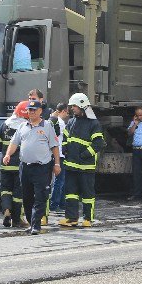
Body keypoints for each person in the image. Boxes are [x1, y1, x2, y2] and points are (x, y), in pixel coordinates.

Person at [3, 100, 61, 234]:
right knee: (27, 197)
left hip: (42, 167)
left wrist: (57, 164)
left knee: (41, 196)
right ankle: (31, 222)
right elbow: (14, 143)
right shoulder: (22, 126)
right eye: (29, 110)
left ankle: (36, 225)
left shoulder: (47, 126)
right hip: (25, 167)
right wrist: (7, 155)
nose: (31, 112)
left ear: (40, 111)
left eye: (34, 110)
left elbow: (54, 146)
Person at [59, 93, 105, 228]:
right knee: (70, 194)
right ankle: (71, 218)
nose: (72, 108)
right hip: (71, 165)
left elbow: (98, 144)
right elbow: (65, 138)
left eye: (75, 106)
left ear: (82, 106)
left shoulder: (94, 123)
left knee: (87, 194)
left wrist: (84, 155)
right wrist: (65, 148)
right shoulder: (72, 121)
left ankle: (87, 219)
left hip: (86, 166)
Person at [0, 100, 30, 228]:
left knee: (5, 189)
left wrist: (6, 154)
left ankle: (6, 210)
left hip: (5, 163)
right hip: (20, 165)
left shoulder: (5, 125)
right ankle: (17, 219)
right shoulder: (25, 127)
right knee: (18, 193)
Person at [48, 102, 69, 212]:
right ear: (64, 111)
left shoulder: (54, 121)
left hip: (56, 154)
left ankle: (61, 203)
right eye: (67, 112)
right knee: (59, 180)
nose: (67, 115)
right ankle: (55, 204)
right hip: (59, 154)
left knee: (60, 180)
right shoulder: (60, 123)